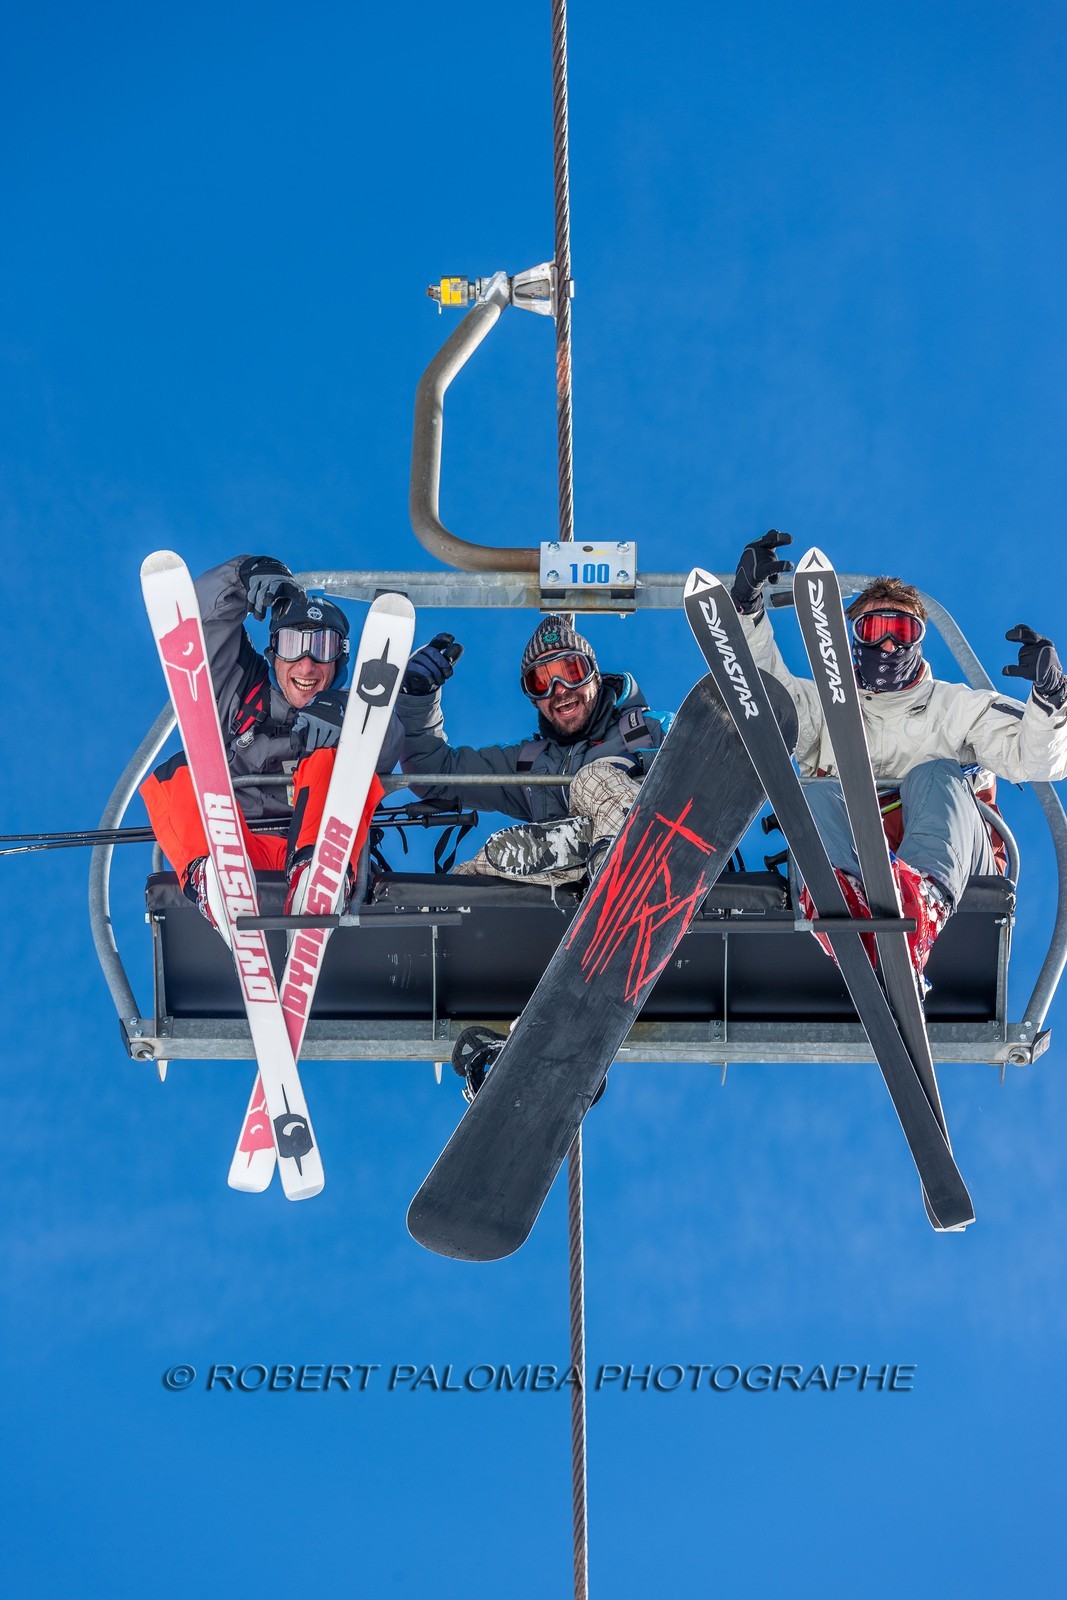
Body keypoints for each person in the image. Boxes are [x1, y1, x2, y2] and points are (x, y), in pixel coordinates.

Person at [728, 529, 1067, 982]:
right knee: (815, 792)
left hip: (957, 867)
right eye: (874, 630)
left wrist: (1051, 697)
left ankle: (918, 902)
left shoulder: (960, 707)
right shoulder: (822, 712)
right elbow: (764, 698)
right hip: (854, 857)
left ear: (918, 641)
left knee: (935, 775)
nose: (889, 645)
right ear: (852, 639)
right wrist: (746, 610)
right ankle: (843, 906)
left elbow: (1038, 759)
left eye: (902, 631)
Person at [141, 555, 401, 933]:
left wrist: (347, 715)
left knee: (336, 760)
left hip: (320, 849)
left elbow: (388, 742)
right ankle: (213, 881)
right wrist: (241, 577)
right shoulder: (239, 693)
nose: (307, 664)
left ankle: (318, 876)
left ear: (340, 660)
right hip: (237, 849)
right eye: (293, 644)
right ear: (273, 651)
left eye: (323, 647)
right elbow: (189, 633)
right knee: (178, 772)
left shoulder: (356, 716)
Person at [396, 614, 670, 885]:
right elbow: (434, 774)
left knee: (593, 778)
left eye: (572, 672)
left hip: (658, 856)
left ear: (594, 676)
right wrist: (417, 698)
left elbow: (704, 759)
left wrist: (640, 764)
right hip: (573, 890)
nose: (559, 690)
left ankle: (621, 871)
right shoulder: (531, 763)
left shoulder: (649, 731)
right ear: (533, 699)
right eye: (541, 682)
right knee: (486, 862)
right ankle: (577, 857)